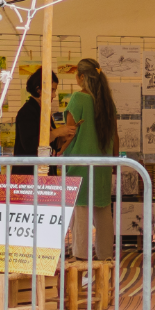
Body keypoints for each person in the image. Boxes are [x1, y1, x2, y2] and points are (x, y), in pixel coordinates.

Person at [64, 60, 119, 264]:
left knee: (81, 211)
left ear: (82, 77)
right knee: (103, 211)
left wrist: (59, 151)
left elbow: (69, 133)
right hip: (103, 163)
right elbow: (116, 135)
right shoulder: (107, 102)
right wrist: (114, 163)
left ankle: (80, 256)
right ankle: (106, 257)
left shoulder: (78, 99)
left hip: (80, 162)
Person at [13, 69, 68, 159]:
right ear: (38, 89)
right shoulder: (27, 112)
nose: (54, 95)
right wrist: (56, 133)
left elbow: (51, 145)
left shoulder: (42, 110)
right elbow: (29, 145)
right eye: (52, 90)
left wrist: (63, 138)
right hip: (30, 170)